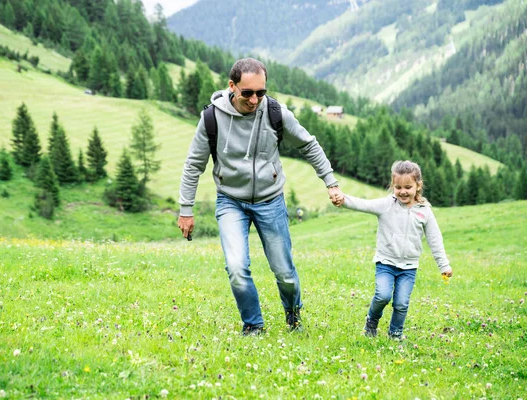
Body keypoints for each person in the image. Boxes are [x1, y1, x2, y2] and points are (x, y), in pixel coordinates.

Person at [178, 58, 343, 335]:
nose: (255, 100)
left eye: (261, 92)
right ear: (232, 86)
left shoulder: (275, 112)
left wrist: (331, 182)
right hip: (230, 200)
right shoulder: (211, 118)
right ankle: (253, 325)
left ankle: (293, 318)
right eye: (247, 93)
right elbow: (194, 164)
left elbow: (308, 144)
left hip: (271, 200)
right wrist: (186, 209)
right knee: (237, 267)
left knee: (285, 273)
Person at [339, 160, 453, 339]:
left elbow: (435, 240)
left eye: (408, 186)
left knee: (401, 303)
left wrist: (444, 265)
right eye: (398, 187)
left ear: (418, 186)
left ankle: (395, 332)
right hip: (386, 262)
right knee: (382, 296)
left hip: (409, 267)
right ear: (393, 186)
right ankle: (371, 322)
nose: (403, 191)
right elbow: (363, 204)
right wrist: (343, 200)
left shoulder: (425, 211)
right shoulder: (386, 205)